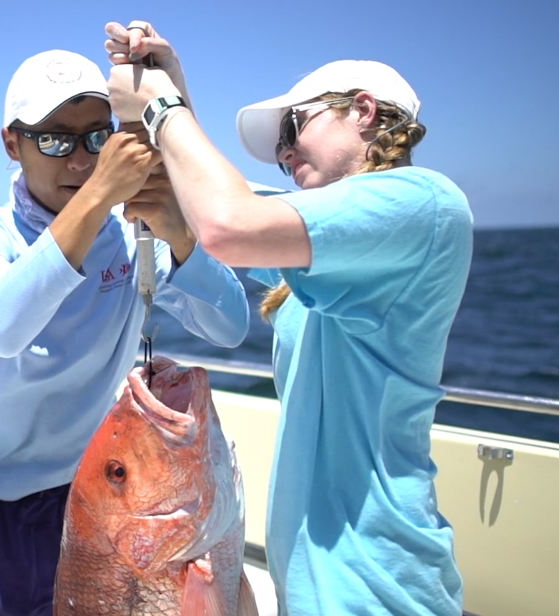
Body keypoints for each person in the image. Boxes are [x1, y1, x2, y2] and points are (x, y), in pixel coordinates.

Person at [105, 22, 471, 616]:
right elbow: (204, 197)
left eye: (293, 129)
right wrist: (168, 83)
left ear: (364, 110)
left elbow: (227, 224)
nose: (284, 153)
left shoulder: (422, 202)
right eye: (280, 152)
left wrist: (162, 106)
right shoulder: (324, 246)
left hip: (377, 586)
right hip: (309, 587)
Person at [0, 49, 250, 616]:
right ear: (11, 144)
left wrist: (179, 234)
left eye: (96, 138)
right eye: (54, 140)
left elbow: (230, 327)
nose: (78, 160)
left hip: (115, 487)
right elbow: (2, 328)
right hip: (7, 495)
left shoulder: (132, 236)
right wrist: (101, 194)